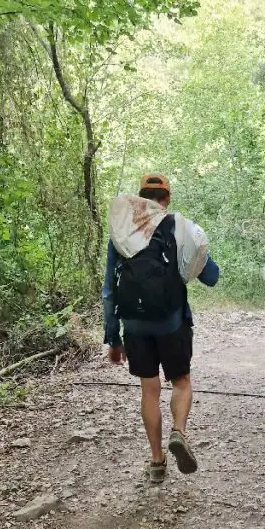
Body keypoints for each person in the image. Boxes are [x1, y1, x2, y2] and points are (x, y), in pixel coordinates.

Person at [102, 174, 219, 484]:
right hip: (171, 322)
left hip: (135, 325)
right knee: (181, 381)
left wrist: (112, 338)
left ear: (140, 198)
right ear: (166, 198)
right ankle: (179, 432)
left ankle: (156, 462)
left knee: (149, 391)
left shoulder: (122, 230)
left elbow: (109, 290)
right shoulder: (177, 227)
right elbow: (211, 276)